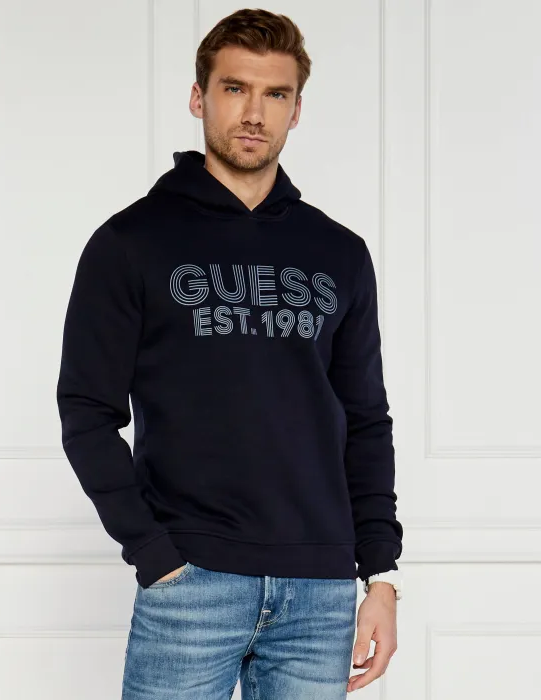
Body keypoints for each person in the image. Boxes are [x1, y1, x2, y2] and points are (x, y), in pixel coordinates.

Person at [56, 7, 403, 699]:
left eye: (275, 94)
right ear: (199, 98)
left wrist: (381, 576)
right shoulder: (131, 243)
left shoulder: (338, 252)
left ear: (296, 110)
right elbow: (87, 411)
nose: (253, 112)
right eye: (235, 88)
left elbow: (365, 419)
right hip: (192, 585)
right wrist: (153, 553)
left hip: (320, 593)